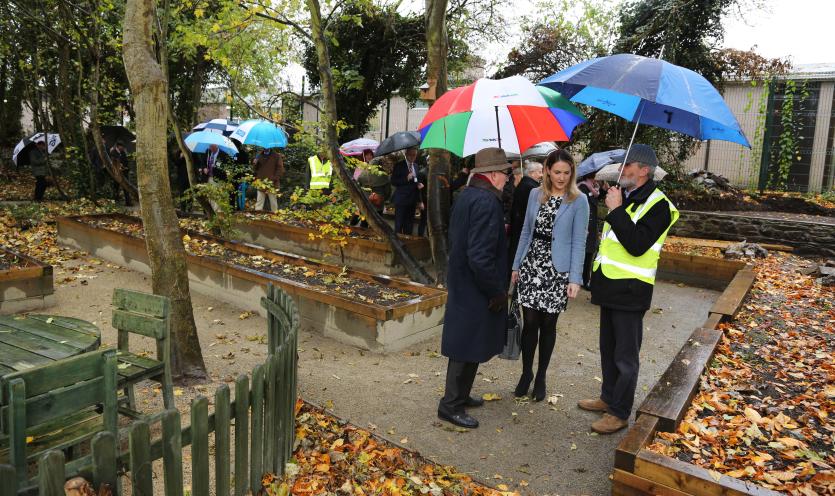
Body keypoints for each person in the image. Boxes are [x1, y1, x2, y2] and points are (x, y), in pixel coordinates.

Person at [578, 144, 679, 434]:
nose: (622, 170)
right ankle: (608, 398)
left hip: (631, 291)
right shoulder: (627, 197)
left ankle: (620, 412)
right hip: (610, 286)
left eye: (628, 165)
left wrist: (616, 210)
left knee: (625, 355)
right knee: (608, 349)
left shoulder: (659, 205)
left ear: (644, 170)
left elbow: (636, 245)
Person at [438, 147, 512, 429]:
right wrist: (495, 291)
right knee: (465, 345)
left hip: (464, 281)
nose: (508, 177)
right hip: (476, 286)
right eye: (505, 173)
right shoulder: (485, 202)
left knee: (470, 342)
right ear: (492, 175)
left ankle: (462, 396)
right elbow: (479, 256)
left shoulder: (469, 195)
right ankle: (450, 405)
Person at [511, 149, 588, 401]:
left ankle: (541, 375)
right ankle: (526, 373)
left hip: (558, 271)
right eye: (557, 172)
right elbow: (525, 231)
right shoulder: (535, 194)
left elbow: (579, 242)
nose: (562, 177)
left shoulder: (579, 200)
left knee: (548, 325)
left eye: (567, 172)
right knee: (530, 323)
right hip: (532, 264)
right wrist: (516, 265)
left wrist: (575, 278)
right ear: (546, 170)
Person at [508, 161, 543, 271]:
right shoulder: (531, 187)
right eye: (540, 172)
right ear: (532, 173)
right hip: (523, 226)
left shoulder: (526, 184)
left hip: (518, 224)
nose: (542, 175)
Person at [577, 172, 603, 290]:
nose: (596, 179)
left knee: (590, 252)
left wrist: (603, 189)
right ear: (589, 176)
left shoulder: (593, 188)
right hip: (586, 225)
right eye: (595, 176)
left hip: (592, 226)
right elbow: (586, 204)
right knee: (586, 253)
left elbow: (597, 199)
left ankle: (585, 279)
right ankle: (584, 280)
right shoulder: (582, 187)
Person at [391, 147, 423, 235]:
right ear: (406, 154)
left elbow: (415, 181)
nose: (413, 157)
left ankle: (407, 245)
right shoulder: (399, 165)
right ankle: (397, 245)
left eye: (415, 155)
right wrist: (406, 178)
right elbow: (393, 181)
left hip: (412, 201)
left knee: (409, 225)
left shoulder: (416, 166)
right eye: (411, 155)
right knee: (399, 224)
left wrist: (418, 184)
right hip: (401, 200)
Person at [253, 147, 284, 211]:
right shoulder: (259, 155)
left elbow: (280, 169)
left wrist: (273, 179)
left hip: (272, 183)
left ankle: (275, 218)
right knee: (259, 202)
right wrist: (255, 163)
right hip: (261, 182)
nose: (265, 147)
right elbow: (255, 169)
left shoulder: (277, 156)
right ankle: (257, 218)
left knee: (273, 203)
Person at [109, 141, 133, 206]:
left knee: (126, 187)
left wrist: (126, 168)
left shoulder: (123, 152)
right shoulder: (112, 152)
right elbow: (113, 162)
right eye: (122, 146)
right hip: (117, 173)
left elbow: (126, 161)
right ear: (118, 146)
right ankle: (115, 201)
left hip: (124, 172)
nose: (123, 148)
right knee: (116, 187)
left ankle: (128, 202)